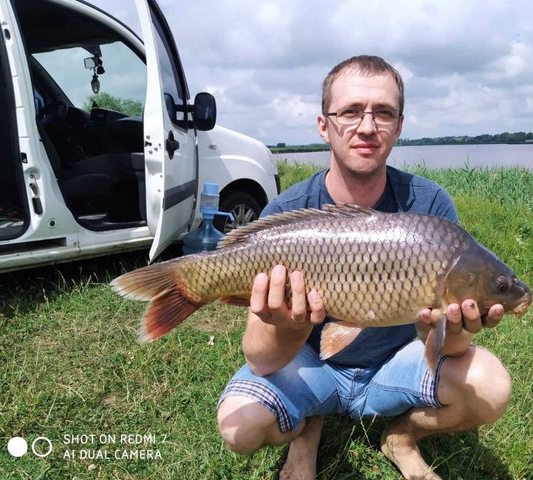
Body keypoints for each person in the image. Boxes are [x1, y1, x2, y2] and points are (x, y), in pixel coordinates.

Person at [217, 55, 510, 480]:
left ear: (399, 125)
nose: (368, 127)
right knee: (239, 427)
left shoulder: (431, 210)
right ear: (324, 124)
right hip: (314, 365)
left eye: (383, 113)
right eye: (351, 112)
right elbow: (260, 359)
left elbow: (446, 348)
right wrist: (292, 326)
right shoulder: (287, 212)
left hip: (391, 369)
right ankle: (306, 431)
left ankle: (402, 437)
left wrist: (456, 327)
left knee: (492, 387)